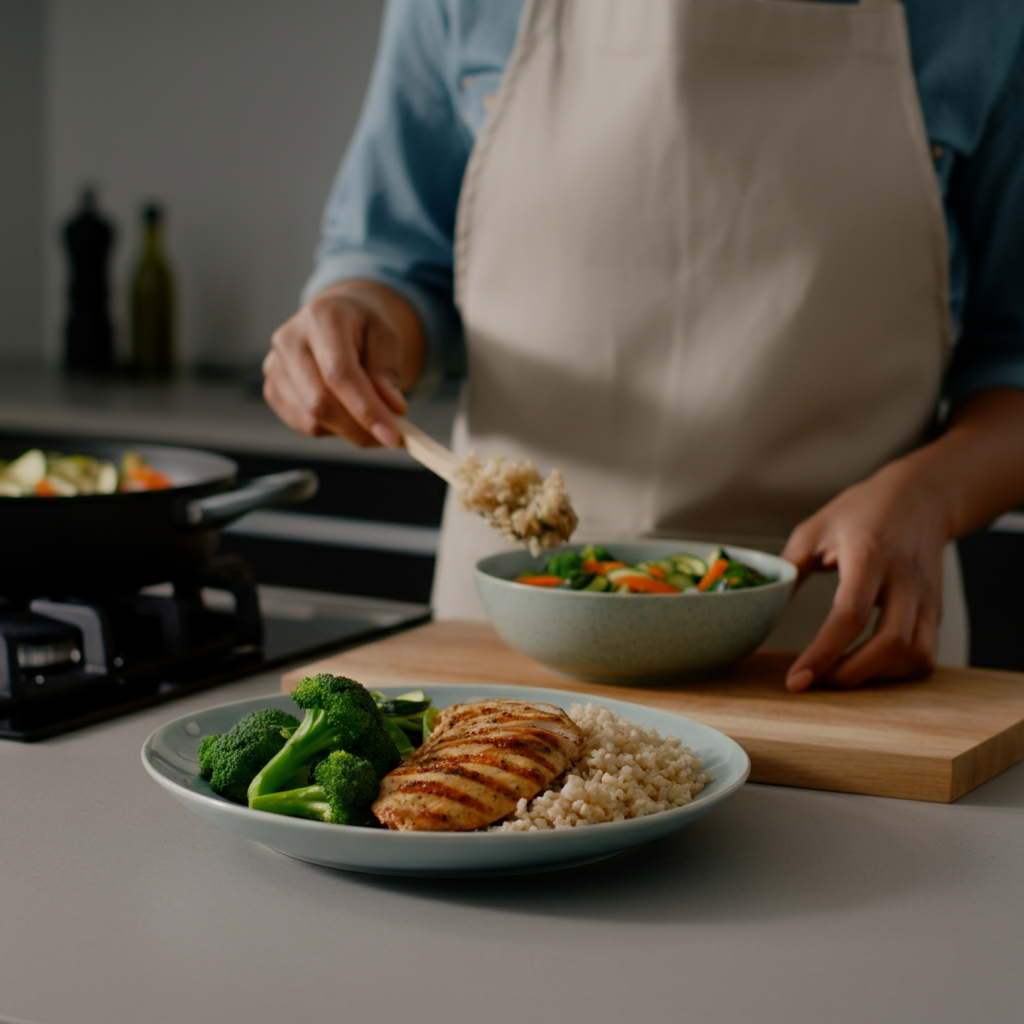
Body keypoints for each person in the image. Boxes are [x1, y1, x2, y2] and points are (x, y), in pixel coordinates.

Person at [263, 0, 1024, 691]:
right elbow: (399, 262)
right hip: (515, 634)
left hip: (835, 642)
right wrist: (355, 320)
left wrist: (931, 494)